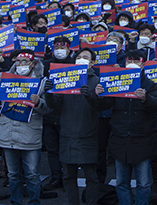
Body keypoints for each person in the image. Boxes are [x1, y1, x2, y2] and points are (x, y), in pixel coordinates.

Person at [0, 49, 50, 205]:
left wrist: (38, 103)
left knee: (32, 174)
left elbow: (48, 109)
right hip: (8, 133)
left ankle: (34, 202)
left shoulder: (41, 82)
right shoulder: (7, 79)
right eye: (18, 62)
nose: (20, 65)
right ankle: (16, 202)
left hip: (30, 134)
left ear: (32, 64)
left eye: (24, 62)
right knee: (13, 174)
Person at [45, 48, 107, 205]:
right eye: (78, 57)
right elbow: (55, 106)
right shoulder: (66, 78)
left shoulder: (97, 81)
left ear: (92, 63)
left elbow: (103, 106)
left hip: (88, 134)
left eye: (85, 58)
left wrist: (91, 96)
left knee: (91, 177)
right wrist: (49, 93)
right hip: (67, 133)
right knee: (68, 176)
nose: (81, 60)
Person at [102, 49, 157, 205]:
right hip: (120, 137)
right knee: (122, 182)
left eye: (136, 61)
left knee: (143, 183)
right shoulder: (116, 81)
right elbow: (103, 105)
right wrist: (99, 94)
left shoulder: (150, 84)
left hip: (142, 138)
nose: (133, 64)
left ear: (143, 65)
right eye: (129, 61)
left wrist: (145, 98)